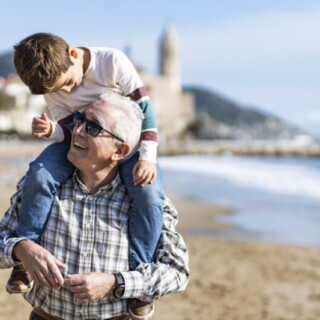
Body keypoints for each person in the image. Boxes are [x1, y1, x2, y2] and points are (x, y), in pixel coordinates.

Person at [0, 93, 189, 320]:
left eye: (93, 128)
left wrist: (115, 283)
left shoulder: (145, 201)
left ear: (119, 151)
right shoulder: (41, 186)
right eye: (80, 120)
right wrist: (21, 250)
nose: (77, 130)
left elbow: (177, 272)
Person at [8, 32, 164, 305]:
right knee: (40, 174)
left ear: (72, 53)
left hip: (129, 143)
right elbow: (71, 131)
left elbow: (146, 112)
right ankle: (25, 256)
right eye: (60, 90)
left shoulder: (112, 62)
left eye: (68, 82)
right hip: (80, 141)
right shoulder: (53, 87)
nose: (67, 92)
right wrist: (52, 130)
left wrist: (148, 158)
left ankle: (140, 279)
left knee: (148, 194)